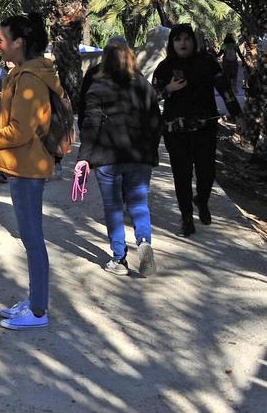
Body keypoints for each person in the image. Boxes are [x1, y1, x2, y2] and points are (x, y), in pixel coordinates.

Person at [0, 13, 62, 331]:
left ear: (19, 43)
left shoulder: (30, 79)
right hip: (24, 166)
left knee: (33, 240)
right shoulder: (22, 74)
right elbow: (13, 124)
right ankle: (35, 302)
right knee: (31, 239)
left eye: (1, 39)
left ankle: (37, 312)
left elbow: (19, 131)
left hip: (27, 168)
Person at [75, 41, 162, 277]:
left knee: (113, 207)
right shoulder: (144, 85)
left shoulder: (97, 87)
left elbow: (90, 124)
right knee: (139, 203)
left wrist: (84, 158)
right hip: (139, 156)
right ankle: (144, 242)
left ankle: (119, 259)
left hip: (107, 157)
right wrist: (151, 153)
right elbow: (156, 123)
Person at [151, 23, 242, 236]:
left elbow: (225, 89)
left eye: (186, 38)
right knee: (181, 175)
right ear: (172, 43)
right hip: (176, 131)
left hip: (205, 128)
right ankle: (186, 218)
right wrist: (168, 89)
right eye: (178, 39)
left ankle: (202, 199)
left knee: (206, 172)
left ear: (193, 41)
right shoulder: (165, 67)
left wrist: (237, 115)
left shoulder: (207, 62)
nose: (182, 43)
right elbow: (151, 96)